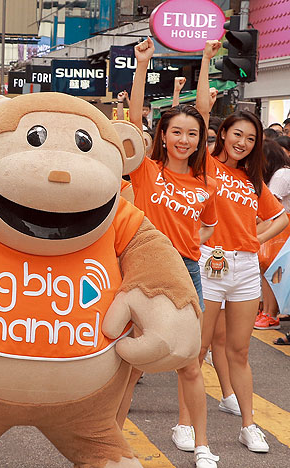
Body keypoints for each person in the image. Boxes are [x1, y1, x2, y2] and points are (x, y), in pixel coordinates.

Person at [124, 37, 220, 468]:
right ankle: (109, 435)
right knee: (125, 360)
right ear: (162, 136)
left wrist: (205, 60)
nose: (184, 139)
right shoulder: (146, 171)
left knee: (190, 362)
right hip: (142, 269)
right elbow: (132, 118)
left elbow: (205, 228)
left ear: (201, 141)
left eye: (192, 134)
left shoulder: (205, 185)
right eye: (176, 132)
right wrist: (141, 65)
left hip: (187, 271)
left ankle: (202, 445)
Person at [198, 100, 288, 454]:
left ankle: (248, 425)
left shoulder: (251, 180)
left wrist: (255, 239)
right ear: (222, 134)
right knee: (200, 347)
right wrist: (205, 61)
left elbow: (280, 217)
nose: (243, 143)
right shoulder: (204, 165)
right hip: (209, 261)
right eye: (237, 134)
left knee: (239, 348)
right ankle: (189, 426)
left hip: (246, 267)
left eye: (251, 138)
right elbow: (201, 111)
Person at [256, 140, 290, 330]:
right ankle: (267, 312)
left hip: (282, 227)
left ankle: (271, 314)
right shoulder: (279, 173)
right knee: (269, 270)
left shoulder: (281, 174)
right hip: (279, 226)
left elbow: (270, 207)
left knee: (273, 271)